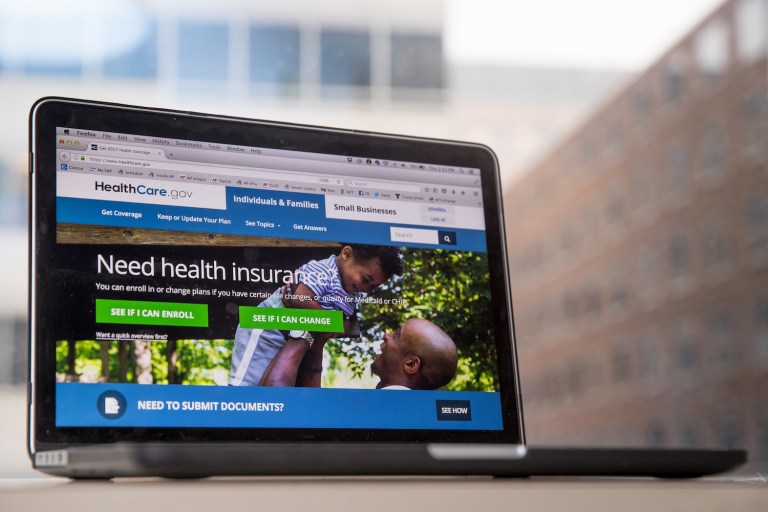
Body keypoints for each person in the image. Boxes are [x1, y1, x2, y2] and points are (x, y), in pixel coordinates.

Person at [229, 244, 403, 386]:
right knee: (247, 385)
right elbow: (299, 299)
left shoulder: (353, 292)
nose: (366, 289)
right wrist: (330, 322)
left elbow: (344, 324)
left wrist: (333, 324)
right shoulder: (323, 270)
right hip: (266, 329)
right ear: (347, 254)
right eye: (365, 279)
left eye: (372, 287)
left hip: (293, 335)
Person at [260, 318, 458, 390]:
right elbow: (311, 406)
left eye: (397, 335)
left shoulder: (378, 408)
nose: (386, 335)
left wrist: (303, 328)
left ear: (411, 365)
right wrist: (317, 344)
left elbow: (274, 406)